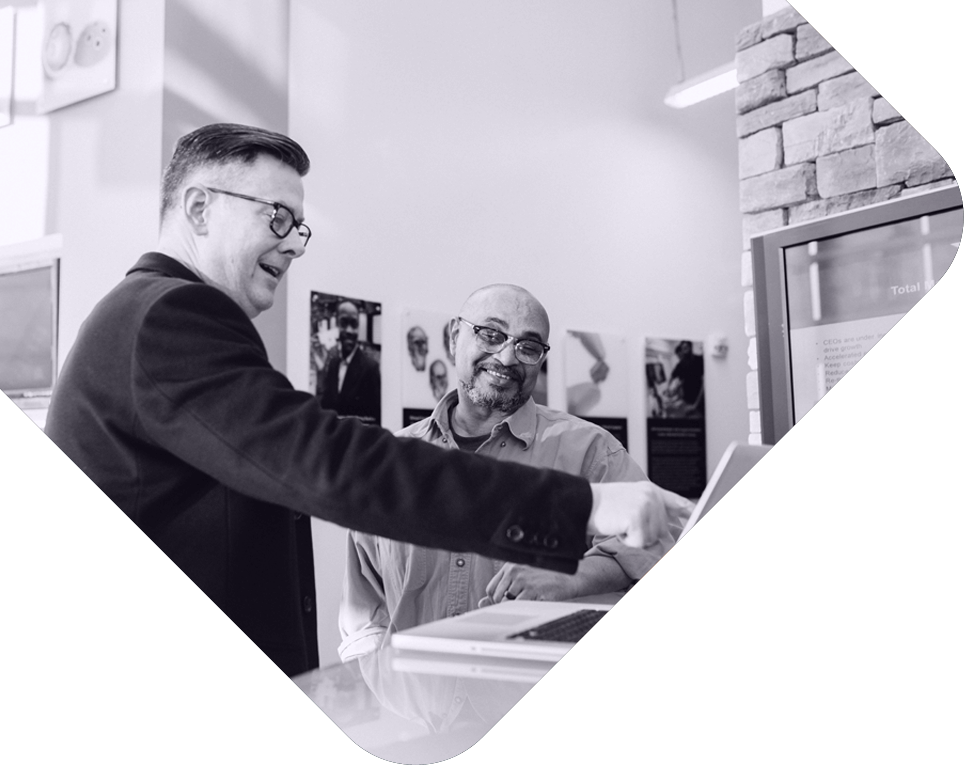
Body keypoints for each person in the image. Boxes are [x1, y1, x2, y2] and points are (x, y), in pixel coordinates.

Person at [44, 123, 672, 678]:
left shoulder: (151, 315)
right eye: (277, 217)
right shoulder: (170, 315)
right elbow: (329, 463)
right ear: (200, 208)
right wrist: (584, 505)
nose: (294, 244)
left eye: (299, 228)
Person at [338, 284, 694, 661]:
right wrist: (379, 685)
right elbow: (364, 614)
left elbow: (657, 543)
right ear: (455, 336)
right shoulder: (391, 462)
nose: (507, 357)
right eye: (491, 334)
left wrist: (572, 576)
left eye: (528, 346)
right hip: (414, 694)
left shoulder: (590, 450)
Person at [318, 300, 381, 425]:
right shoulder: (333, 364)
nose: (349, 330)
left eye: (354, 324)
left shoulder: (370, 368)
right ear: (337, 324)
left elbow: (375, 419)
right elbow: (326, 406)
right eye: (343, 323)